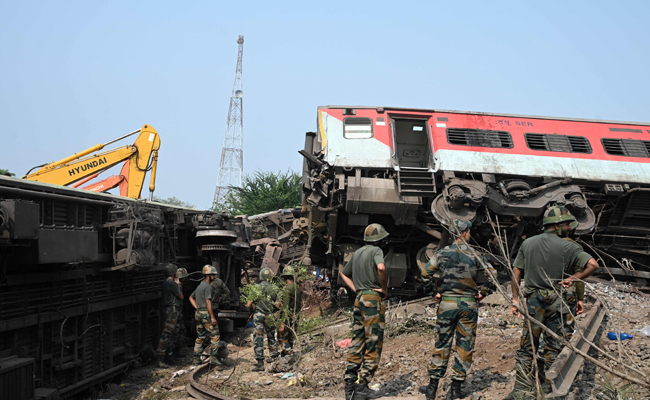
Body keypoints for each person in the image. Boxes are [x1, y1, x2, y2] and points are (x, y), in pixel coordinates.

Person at [505, 206, 599, 399]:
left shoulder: (528, 244)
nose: (569, 228)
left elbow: (516, 273)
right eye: (566, 224)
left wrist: (515, 299)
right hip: (558, 302)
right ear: (557, 226)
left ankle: (521, 389)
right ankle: (549, 390)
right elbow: (593, 265)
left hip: (533, 302)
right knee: (554, 346)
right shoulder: (570, 246)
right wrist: (573, 279)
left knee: (528, 344)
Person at [418, 219, 497, 400]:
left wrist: (433, 293)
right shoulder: (475, 254)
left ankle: (432, 388)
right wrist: (483, 293)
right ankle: (455, 389)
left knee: (442, 343)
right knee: (464, 345)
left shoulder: (443, 253)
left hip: (447, 304)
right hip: (468, 305)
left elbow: (425, 273)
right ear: (465, 233)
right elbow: (492, 274)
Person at [340, 223, 389, 400]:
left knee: (357, 341)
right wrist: (384, 289)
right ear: (380, 240)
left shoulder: (358, 253)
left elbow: (343, 273)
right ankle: (363, 386)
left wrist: (356, 289)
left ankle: (349, 386)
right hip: (371, 301)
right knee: (373, 342)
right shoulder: (376, 251)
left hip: (358, 300)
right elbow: (381, 268)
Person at [247, 267, 280, 372]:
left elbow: (248, 304)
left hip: (258, 315)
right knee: (271, 337)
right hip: (269, 315)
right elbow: (278, 305)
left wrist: (254, 308)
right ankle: (275, 360)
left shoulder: (255, 288)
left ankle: (260, 363)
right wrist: (272, 309)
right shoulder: (275, 288)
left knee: (258, 338)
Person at [189, 265, 221, 367]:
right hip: (206, 314)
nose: (214, 277)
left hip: (198, 314)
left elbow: (190, 297)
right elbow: (208, 301)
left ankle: (196, 359)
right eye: (213, 275)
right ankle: (213, 358)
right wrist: (212, 316)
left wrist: (197, 308)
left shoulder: (200, 286)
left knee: (200, 337)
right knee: (215, 335)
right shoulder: (208, 287)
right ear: (208, 276)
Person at [156, 263, 183, 367]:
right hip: (172, 310)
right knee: (167, 333)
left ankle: (169, 355)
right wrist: (178, 284)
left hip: (170, 309)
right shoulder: (171, 283)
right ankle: (161, 357)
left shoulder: (166, 282)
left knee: (171, 334)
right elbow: (181, 296)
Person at [277, 265, 303, 358]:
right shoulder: (298, 288)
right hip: (296, 315)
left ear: (284, 277)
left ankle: (288, 354)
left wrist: (282, 323)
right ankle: (288, 352)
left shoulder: (287, 289)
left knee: (282, 336)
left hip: (288, 316)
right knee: (291, 336)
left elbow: (286, 307)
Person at [171, 267, 189, 358]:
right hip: (175, 312)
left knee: (180, 331)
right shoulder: (177, 286)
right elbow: (181, 297)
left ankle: (177, 352)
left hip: (177, 311)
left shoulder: (177, 285)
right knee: (176, 332)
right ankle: (174, 353)